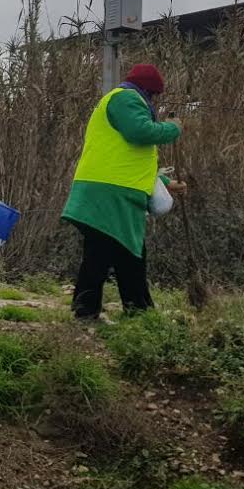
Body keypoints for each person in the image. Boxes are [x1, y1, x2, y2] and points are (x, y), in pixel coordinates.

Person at [63, 63, 184, 319]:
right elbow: (139, 132)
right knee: (111, 253)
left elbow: (126, 158)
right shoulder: (126, 98)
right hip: (109, 194)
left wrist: (163, 183)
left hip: (111, 191)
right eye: (153, 95)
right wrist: (173, 128)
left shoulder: (121, 101)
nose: (153, 101)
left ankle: (131, 311)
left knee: (120, 253)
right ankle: (122, 312)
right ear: (147, 90)